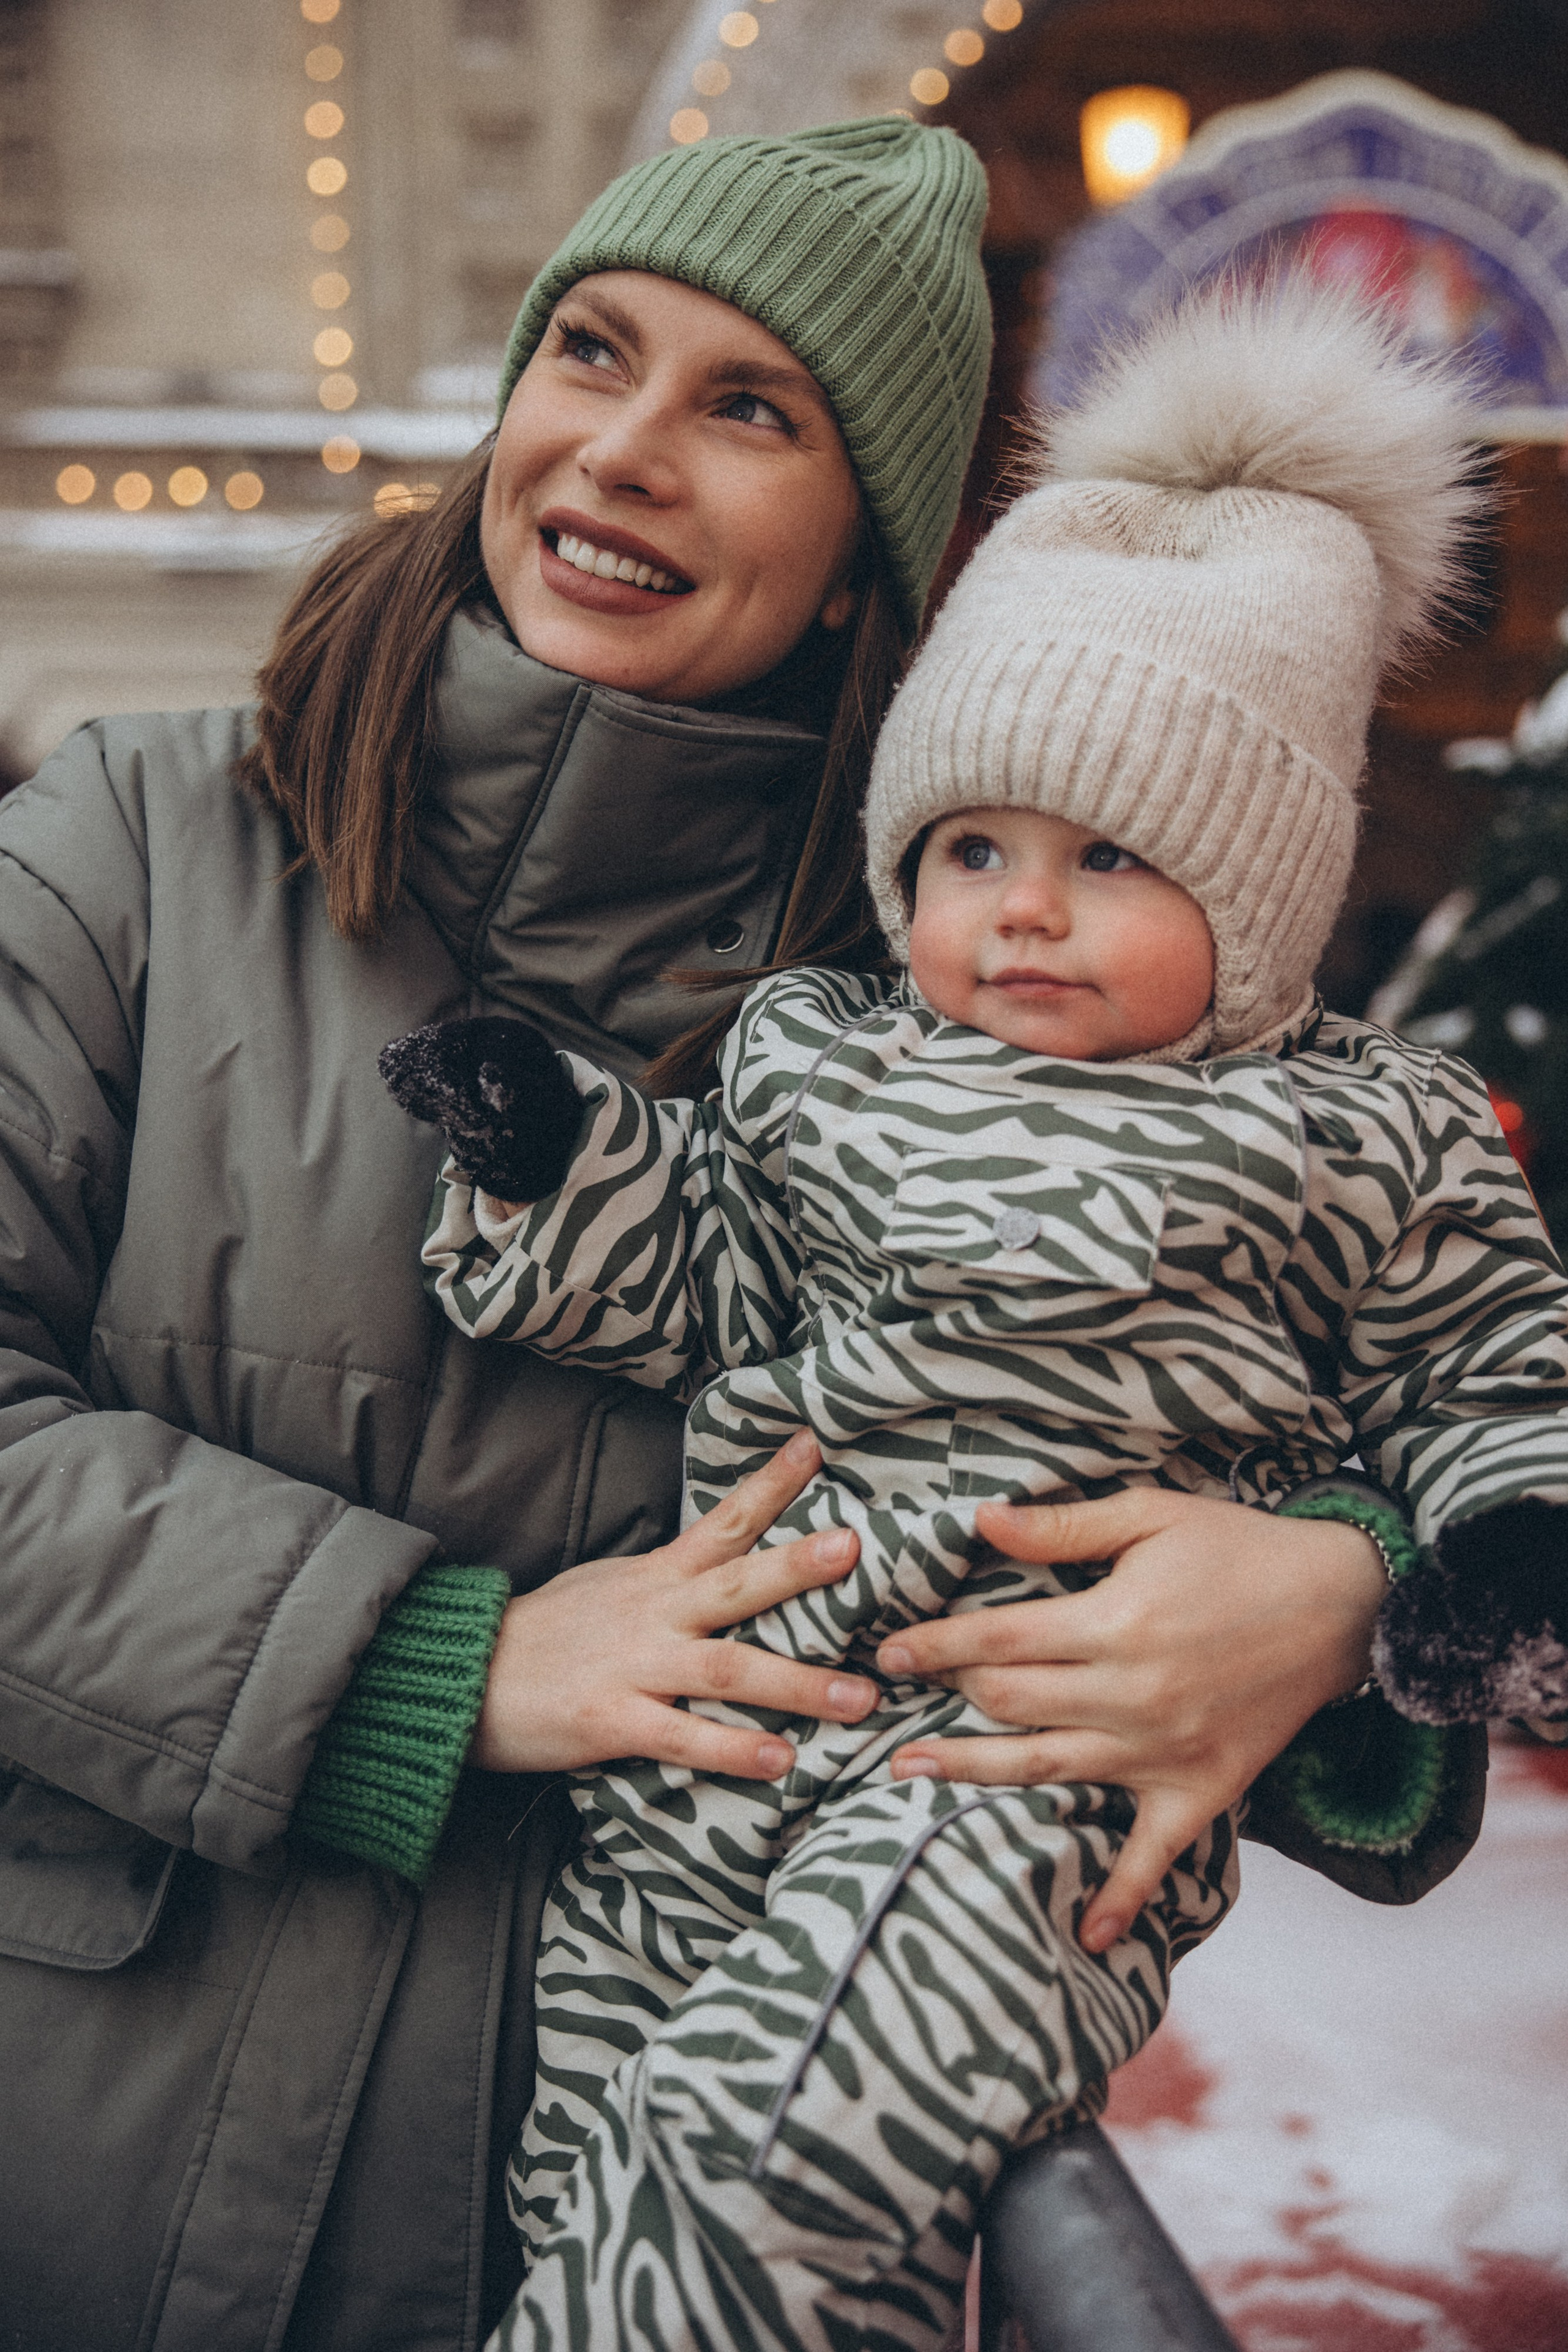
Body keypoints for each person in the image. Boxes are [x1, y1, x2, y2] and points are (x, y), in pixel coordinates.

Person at [0, 123, 1472, 2352]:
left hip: (653, 2208)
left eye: (751, 408)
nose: (623, 450)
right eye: (591, 353)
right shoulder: (138, 842)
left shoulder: (1001, 984)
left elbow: (1359, 1337)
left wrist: (1340, 1588)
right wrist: (433, 1663)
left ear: (872, 541)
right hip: (92, 2164)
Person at [388, 277, 1568, 2352]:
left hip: (1038, 1763)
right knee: (594, 2119)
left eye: (1106, 853)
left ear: (1264, 894)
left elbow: (1489, 1361)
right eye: (967, 846)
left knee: (789, 2150)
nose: (1018, 904)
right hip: (732, 1717)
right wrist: (552, 1156)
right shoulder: (815, 1062)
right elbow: (705, 1281)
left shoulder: (1355, 1132)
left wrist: (1498, 1536)